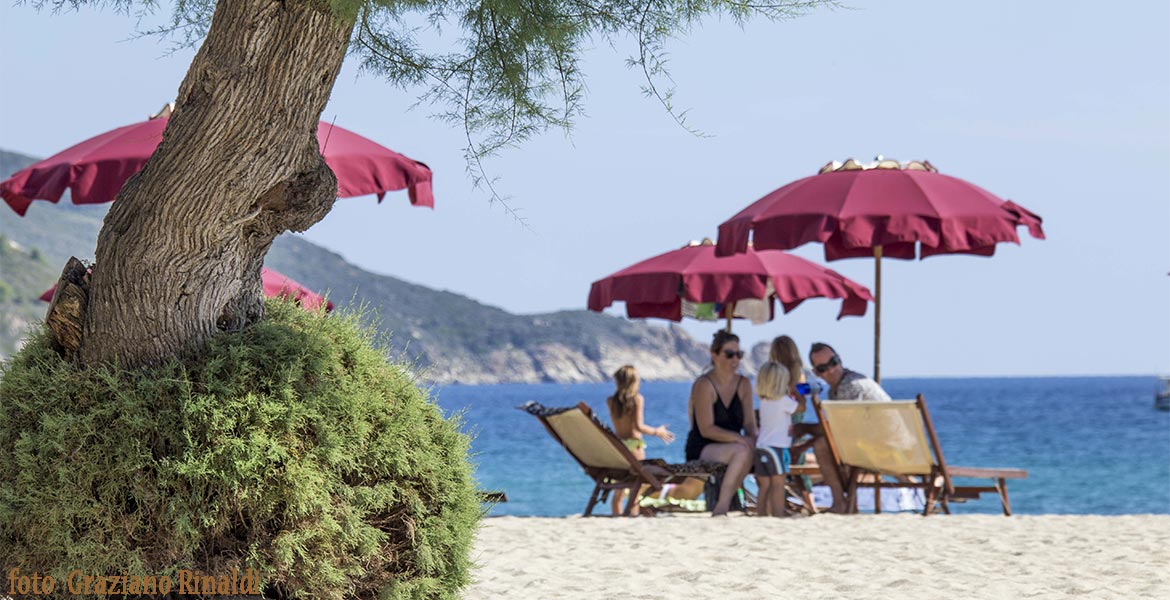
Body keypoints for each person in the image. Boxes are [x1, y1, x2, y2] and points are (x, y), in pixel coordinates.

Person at [684, 330, 758, 516]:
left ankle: (769, 504)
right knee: (742, 450)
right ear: (714, 355)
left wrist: (755, 439)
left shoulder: (744, 384)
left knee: (762, 450)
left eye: (739, 354)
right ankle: (722, 506)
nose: (735, 359)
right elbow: (706, 429)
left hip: (734, 445)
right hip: (703, 446)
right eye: (729, 354)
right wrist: (740, 440)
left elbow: (749, 422)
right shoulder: (704, 385)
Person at [606, 365, 675, 516]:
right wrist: (658, 431)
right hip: (635, 448)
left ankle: (616, 517)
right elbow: (639, 426)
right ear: (633, 382)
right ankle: (633, 517)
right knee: (635, 490)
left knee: (618, 493)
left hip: (619, 448)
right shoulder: (637, 399)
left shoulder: (611, 401)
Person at [754, 361, 804, 517]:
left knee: (764, 485)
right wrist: (797, 393)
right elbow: (801, 408)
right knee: (778, 484)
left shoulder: (764, 401)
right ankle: (777, 514)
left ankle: (761, 514)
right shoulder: (784, 401)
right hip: (777, 448)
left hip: (761, 447)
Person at [808, 342, 891, 401]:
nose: (831, 370)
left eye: (833, 362)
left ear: (840, 359)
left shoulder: (851, 385)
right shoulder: (833, 392)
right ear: (816, 372)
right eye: (822, 368)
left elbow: (849, 424)